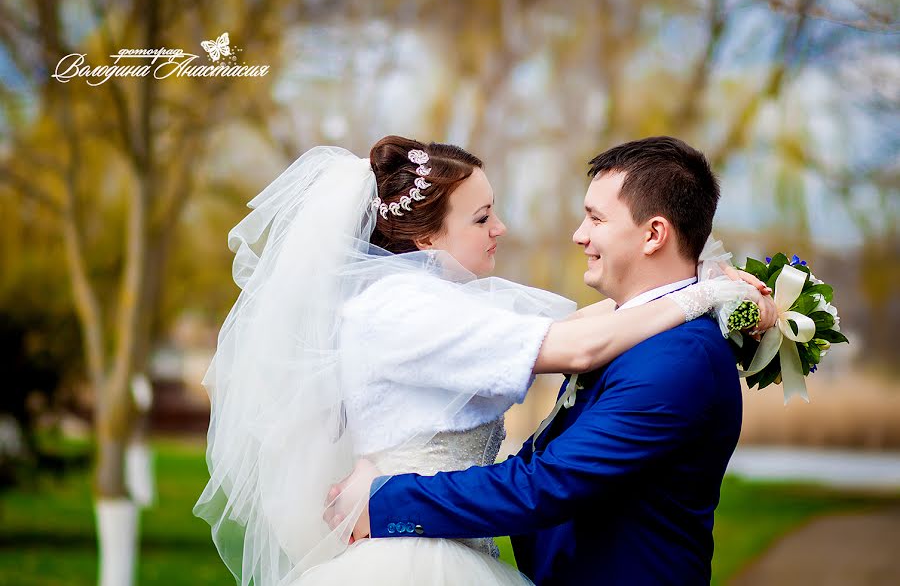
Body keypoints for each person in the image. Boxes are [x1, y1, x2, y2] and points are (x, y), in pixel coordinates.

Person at [195, 135, 772, 586]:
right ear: (425, 239)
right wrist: (704, 293)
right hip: (416, 553)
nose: (503, 228)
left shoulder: (679, 357)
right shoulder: (402, 309)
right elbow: (576, 346)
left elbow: (569, 348)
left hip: (434, 535)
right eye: (481, 218)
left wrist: (707, 291)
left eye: (595, 218)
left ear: (653, 235)